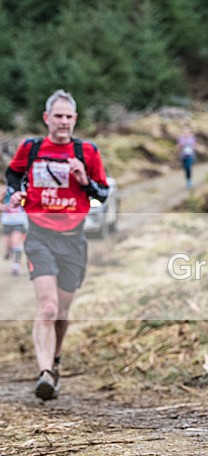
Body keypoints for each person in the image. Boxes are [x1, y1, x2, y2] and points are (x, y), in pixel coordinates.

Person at [5, 89, 109, 401]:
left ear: (74, 120)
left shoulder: (87, 151)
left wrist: (83, 181)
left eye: (68, 117)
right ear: (46, 118)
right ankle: (44, 373)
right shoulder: (32, 147)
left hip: (74, 241)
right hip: (39, 237)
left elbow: (102, 193)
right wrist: (13, 191)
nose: (63, 122)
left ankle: (55, 359)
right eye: (58, 116)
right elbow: (13, 173)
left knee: (62, 311)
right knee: (47, 306)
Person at [2, 186, 28, 275]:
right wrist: (4, 207)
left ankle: (15, 266)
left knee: (16, 243)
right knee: (8, 245)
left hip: (19, 222)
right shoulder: (6, 190)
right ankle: (8, 251)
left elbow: (26, 204)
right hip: (7, 222)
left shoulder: (25, 190)